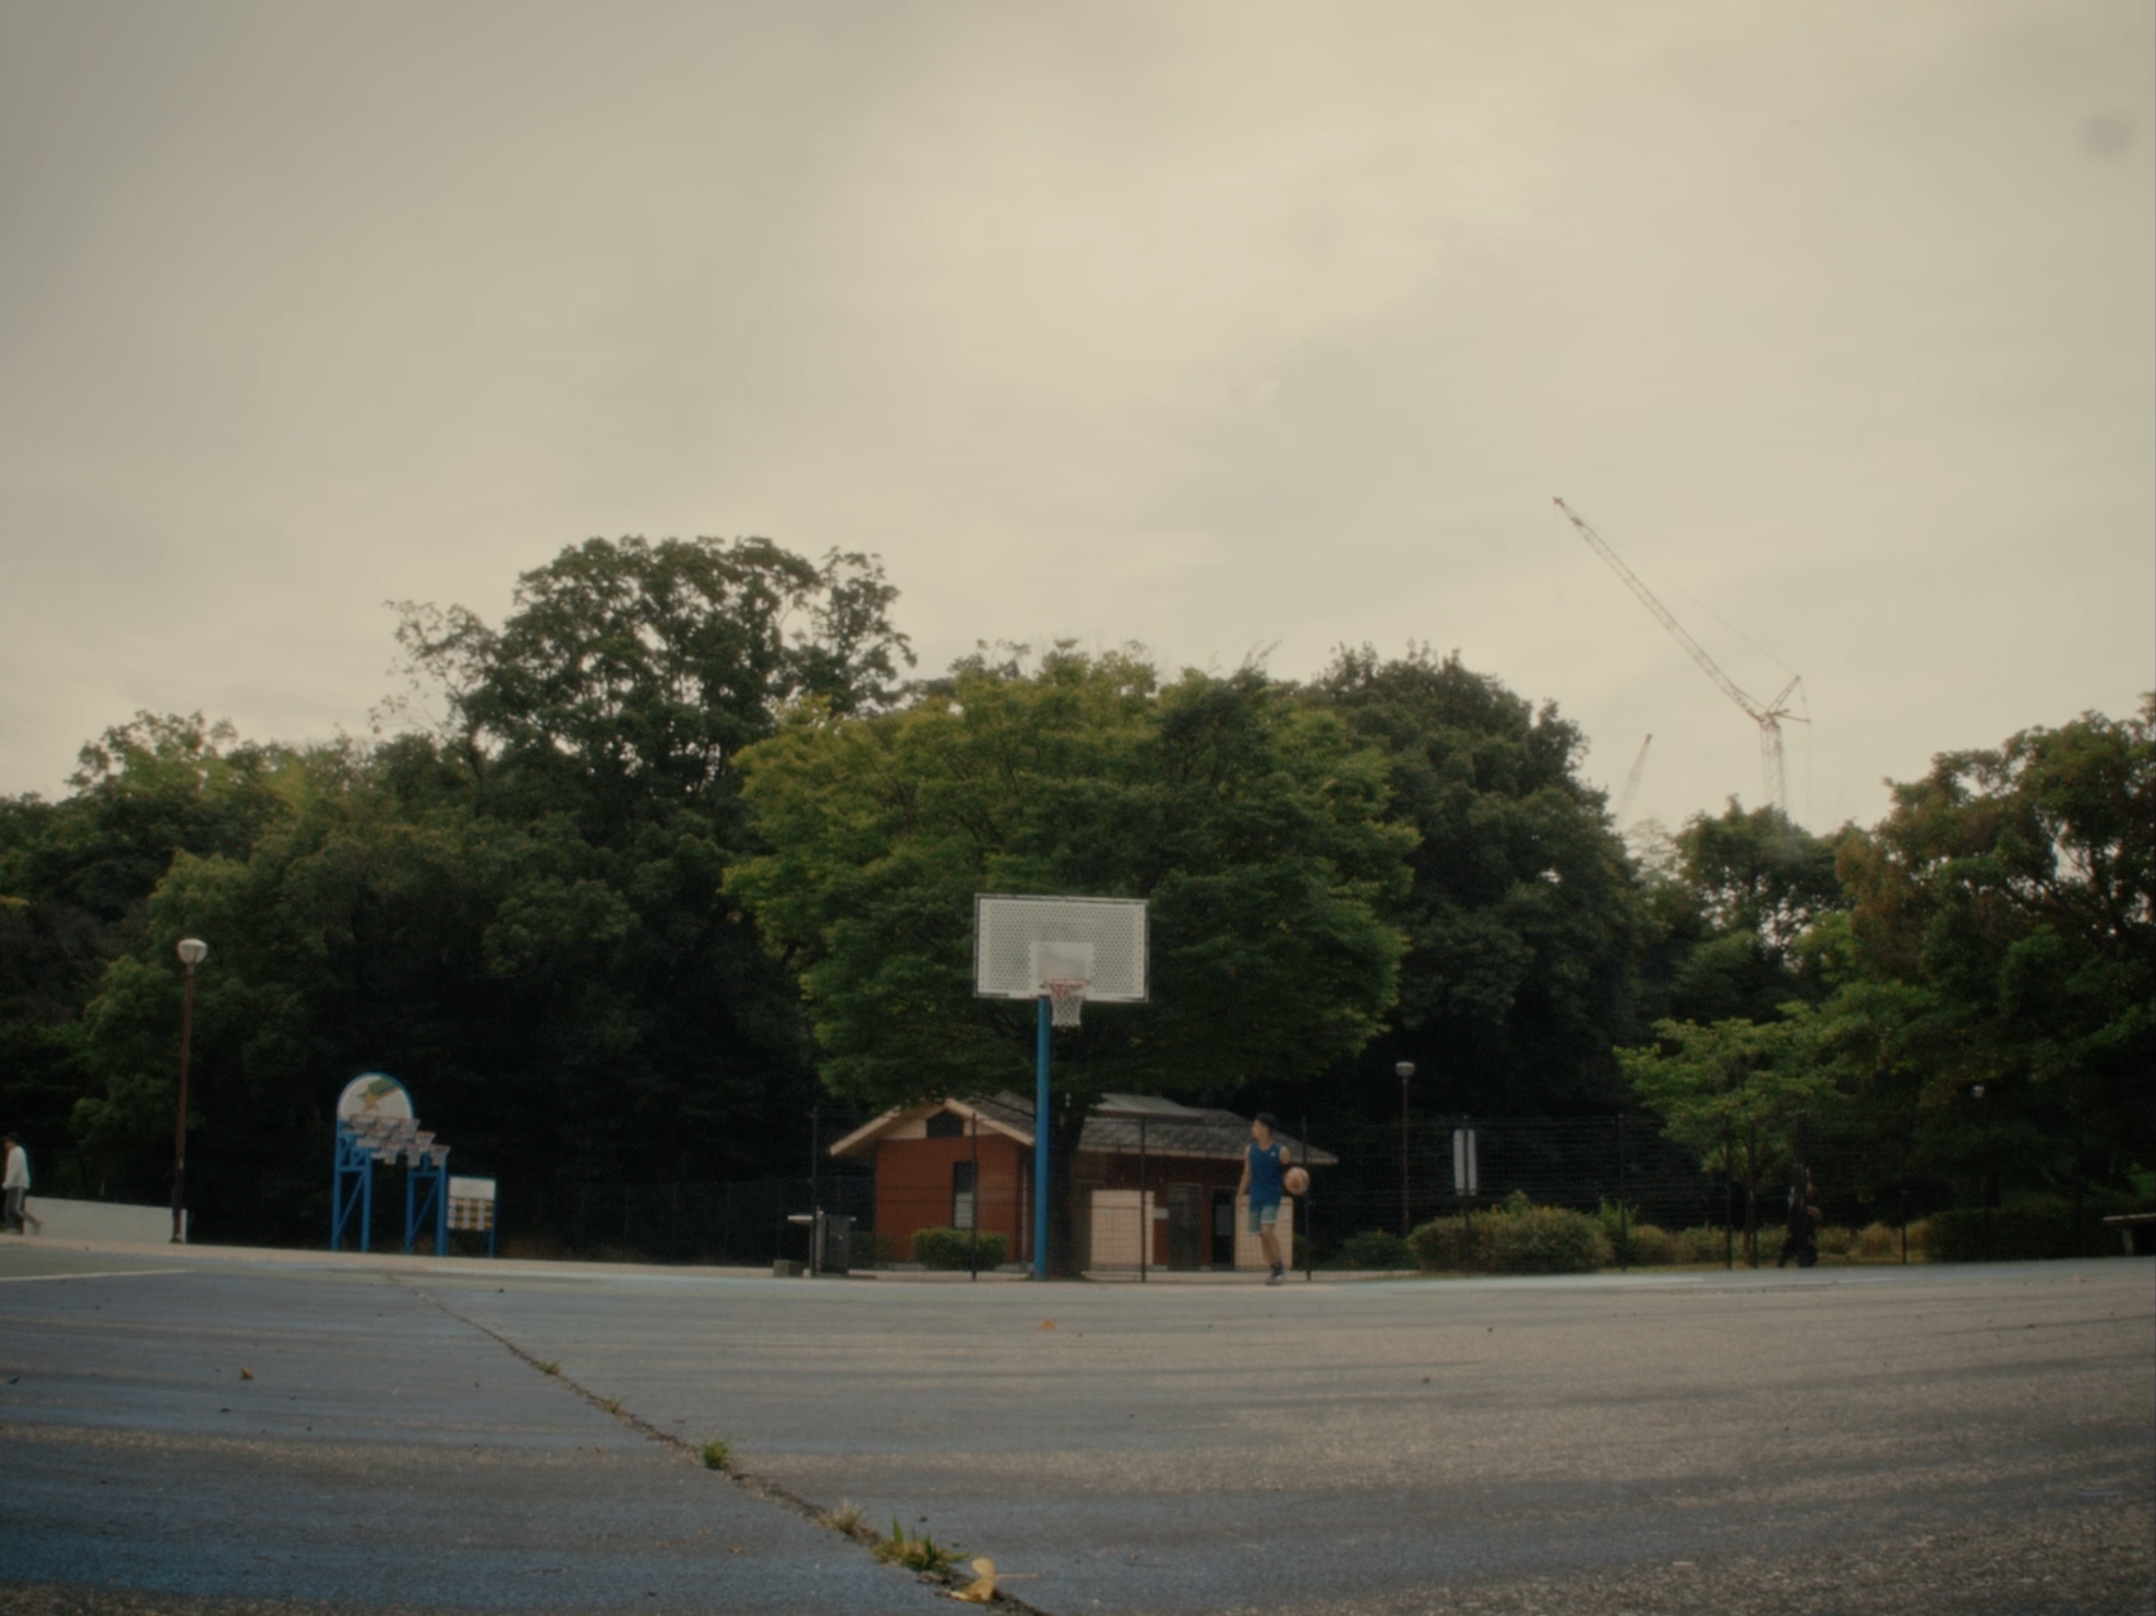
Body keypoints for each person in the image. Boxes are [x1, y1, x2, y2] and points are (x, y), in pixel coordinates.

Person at [1239, 1112, 1290, 1286]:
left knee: (1267, 1230)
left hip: (1271, 1195)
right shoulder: (1250, 1150)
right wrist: (1240, 1195)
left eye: (1255, 1125)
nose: (1253, 1128)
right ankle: (1274, 1269)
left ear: (1265, 1128)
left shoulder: (1281, 1151)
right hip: (1256, 1196)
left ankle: (1280, 1268)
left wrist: (1296, 1185)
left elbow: (1288, 1176)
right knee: (1262, 1235)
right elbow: (1247, 1174)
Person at [3, 1134, 41, 1236]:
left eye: (7, 1142)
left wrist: (7, 1184)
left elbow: (16, 1170)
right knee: (8, 1207)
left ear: (13, 1142)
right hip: (12, 1184)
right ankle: (11, 1227)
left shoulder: (19, 1152)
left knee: (16, 1208)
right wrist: (8, 1183)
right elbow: (10, 1171)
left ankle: (35, 1222)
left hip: (19, 1184)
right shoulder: (12, 1152)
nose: (5, 1144)